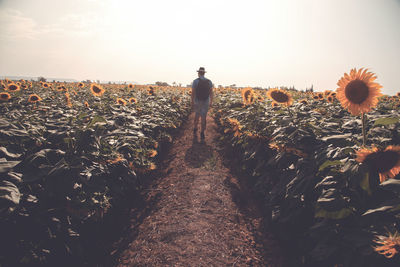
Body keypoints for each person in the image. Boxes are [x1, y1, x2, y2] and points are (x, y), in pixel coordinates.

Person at [191, 67, 213, 140]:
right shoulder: (209, 82)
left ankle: (195, 128)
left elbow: (193, 93)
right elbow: (211, 93)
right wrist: (211, 102)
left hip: (197, 101)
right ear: (204, 73)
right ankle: (202, 132)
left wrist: (192, 102)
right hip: (206, 101)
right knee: (204, 117)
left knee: (197, 115)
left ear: (199, 73)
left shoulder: (195, 81)